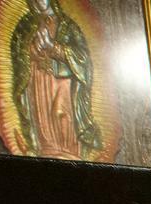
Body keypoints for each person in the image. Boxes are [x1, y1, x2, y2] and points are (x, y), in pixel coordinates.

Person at [9, 0, 102, 160]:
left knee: (61, 114)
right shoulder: (24, 27)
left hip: (63, 83)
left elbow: (83, 59)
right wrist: (31, 51)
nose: (38, 2)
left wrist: (54, 47)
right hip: (37, 81)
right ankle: (45, 151)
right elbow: (18, 55)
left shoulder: (68, 26)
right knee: (43, 118)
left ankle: (70, 153)